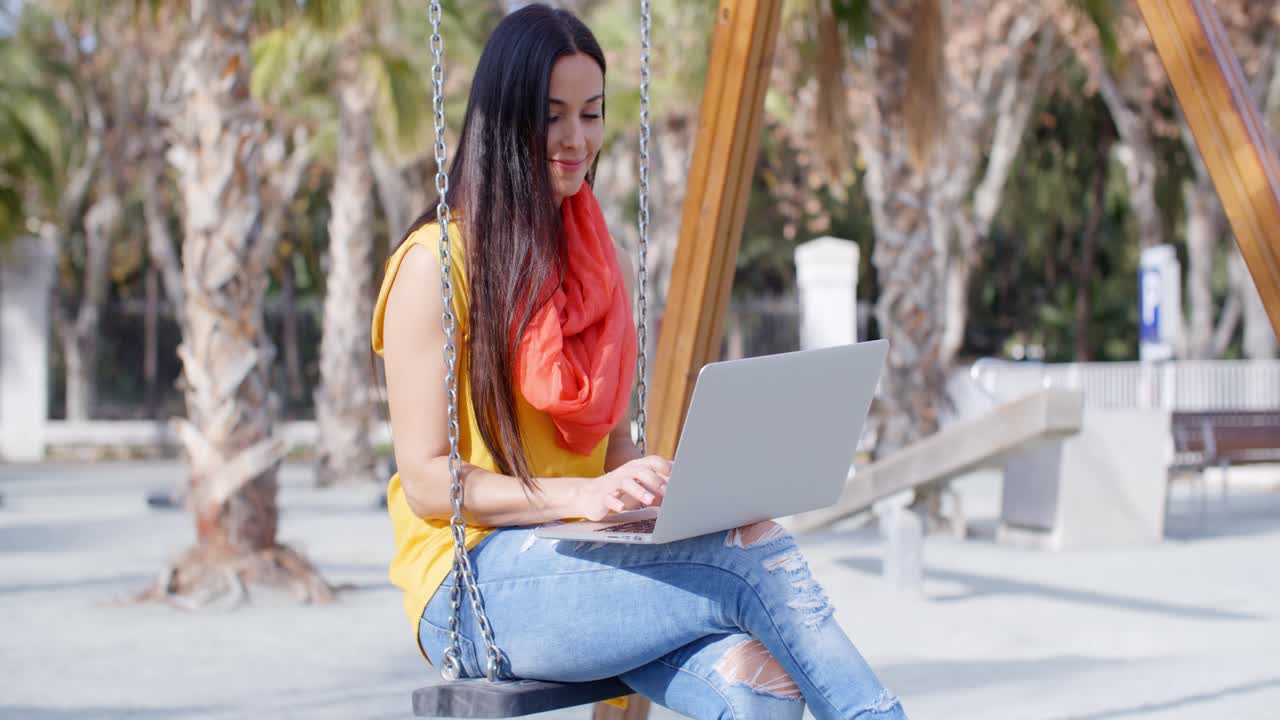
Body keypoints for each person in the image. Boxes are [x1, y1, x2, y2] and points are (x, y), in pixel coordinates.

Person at [372, 5, 906, 719]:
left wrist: (652, 491)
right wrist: (577, 498)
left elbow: (608, 445)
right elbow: (430, 484)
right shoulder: (436, 267)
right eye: (551, 113)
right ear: (504, 119)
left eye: (591, 114)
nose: (575, 138)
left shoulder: (600, 264)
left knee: (760, 684)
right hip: (471, 584)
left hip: (579, 554)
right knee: (752, 552)